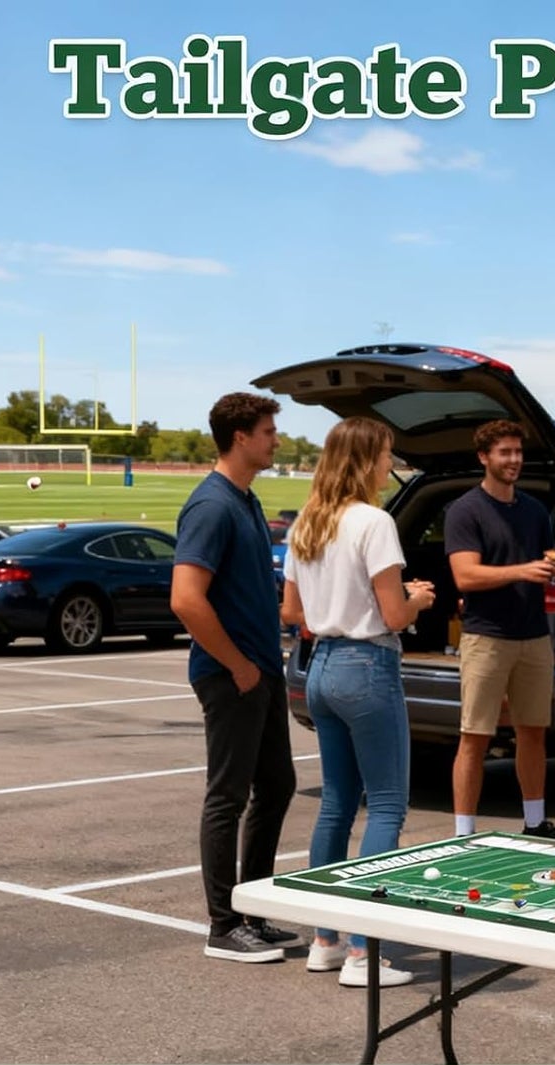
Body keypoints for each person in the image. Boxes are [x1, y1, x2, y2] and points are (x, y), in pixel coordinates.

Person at [280, 416, 434, 989]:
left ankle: (325, 938)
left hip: (320, 667)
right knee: (388, 805)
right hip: (366, 666)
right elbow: (394, 615)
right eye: (386, 456)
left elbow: (291, 614)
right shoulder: (375, 521)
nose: (389, 467)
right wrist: (416, 598)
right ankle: (365, 951)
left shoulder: (307, 523)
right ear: (368, 460)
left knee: (336, 806)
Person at [171, 393, 298, 962]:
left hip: (261, 670)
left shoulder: (246, 500)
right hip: (233, 675)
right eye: (269, 431)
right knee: (228, 796)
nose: (276, 439)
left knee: (277, 786)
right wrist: (239, 665)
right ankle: (224, 926)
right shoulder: (212, 506)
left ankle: (252, 909)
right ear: (241, 437)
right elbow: (186, 601)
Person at [445, 419, 555, 840]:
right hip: (486, 636)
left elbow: (545, 564)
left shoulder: (534, 510)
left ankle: (536, 823)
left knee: (533, 732)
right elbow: (465, 577)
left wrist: (554, 567)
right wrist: (523, 570)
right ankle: (464, 832)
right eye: (505, 452)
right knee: (475, 735)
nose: (514, 460)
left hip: (534, 635)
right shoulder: (465, 510)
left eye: (518, 452)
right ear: (484, 457)